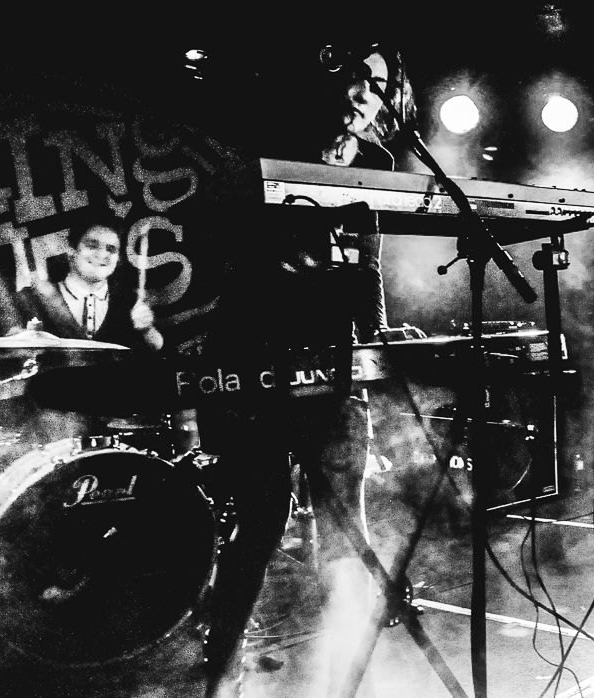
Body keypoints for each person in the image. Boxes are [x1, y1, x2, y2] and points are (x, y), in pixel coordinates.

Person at [197, 43, 413, 697]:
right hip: (264, 358)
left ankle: (344, 673)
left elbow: (368, 262)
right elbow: (229, 252)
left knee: (344, 523)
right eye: (356, 78)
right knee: (258, 523)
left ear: (388, 101)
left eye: (378, 85)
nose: (364, 92)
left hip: (337, 364)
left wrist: (377, 338)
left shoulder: (378, 162)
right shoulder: (279, 145)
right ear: (334, 82)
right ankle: (221, 661)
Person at [11, 215, 163, 352]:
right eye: (92, 245)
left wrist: (147, 329)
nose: (103, 255)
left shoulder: (128, 302)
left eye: (111, 249)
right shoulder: (33, 299)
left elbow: (158, 349)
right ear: (71, 251)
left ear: (118, 259)